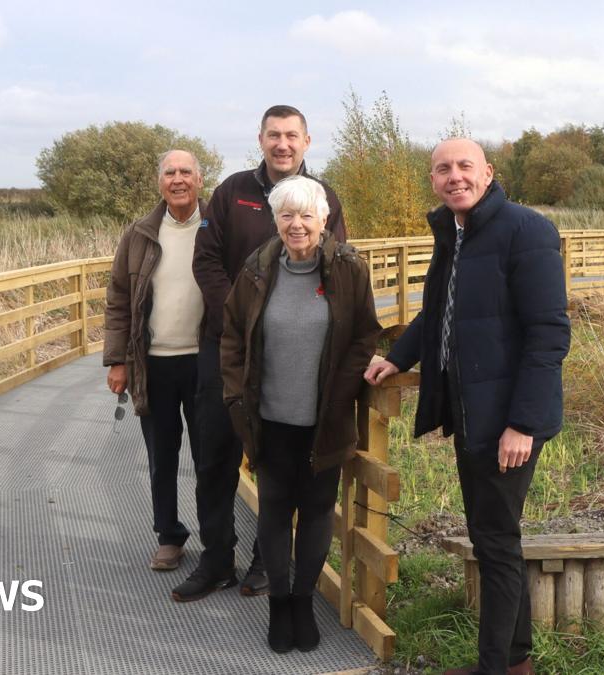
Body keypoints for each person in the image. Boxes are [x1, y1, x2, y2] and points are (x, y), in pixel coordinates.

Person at [365, 138, 570, 675]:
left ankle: (493, 668)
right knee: (493, 535)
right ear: (432, 179)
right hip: (472, 411)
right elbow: (438, 312)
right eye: (442, 169)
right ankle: (515, 663)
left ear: (488, 173)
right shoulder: (454, 234)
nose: (454, 176)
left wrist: (522, 423)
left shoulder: (526, 231)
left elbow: (548, 334)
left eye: (464, 167)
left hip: (508, 419)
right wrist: (398, 357)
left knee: (496, 541)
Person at [178, 105, 347, 602]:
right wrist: (240, 315)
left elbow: (337, 267)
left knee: (279, 462)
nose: (282, 144)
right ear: (261, 138)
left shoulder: (323, 198)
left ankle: (265, 561)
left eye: (291, 135)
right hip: (226, 349)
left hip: (292, 357)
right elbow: (206, 261)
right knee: (214, 457)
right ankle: (216, 559)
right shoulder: (232, 193)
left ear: (306, 141)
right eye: (274, 135)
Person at [221, 175, 380, 653]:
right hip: (268, 418)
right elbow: (231, 336)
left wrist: (342, 390)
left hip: (324, 420)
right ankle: (278, 604)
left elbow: (364, 335)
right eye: (286, 215)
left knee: (315, 513)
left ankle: (303, 604)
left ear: (324, 219)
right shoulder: (256, 270)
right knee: (273, 510)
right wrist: (235, 398)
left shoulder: (349, 269)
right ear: (275, 220)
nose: (296, 225)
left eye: (306, 215)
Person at [103, 149, 206, 573]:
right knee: (161, 456)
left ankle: (218, 539)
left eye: (185, 172)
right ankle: (169, 535)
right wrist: (117, 361)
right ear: (158, 181)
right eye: (169, 172)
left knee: (211, 457)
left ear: (200, 179)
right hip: (154, 363)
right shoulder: (140, 233)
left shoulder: (218, 227)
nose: (177, 179)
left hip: (206, 361)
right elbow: (118, 300)